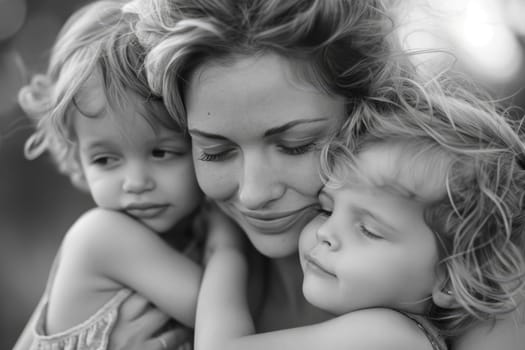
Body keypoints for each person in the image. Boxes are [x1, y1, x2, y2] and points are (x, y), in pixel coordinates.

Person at [127, 0, 525, 349]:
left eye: (296, 145)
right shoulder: (148, 251)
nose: (253, 194)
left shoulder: (488, 282)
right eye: (214, 152)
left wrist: (224, 250)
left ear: (366, 110)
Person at [194, 71, 525, 350]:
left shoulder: (389, 336)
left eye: (368, 229)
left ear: (452, 280)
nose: (325, 233)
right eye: (326, 210)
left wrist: (225, 249)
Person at [14, 1, 203, 349]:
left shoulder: (183, 236)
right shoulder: (101, 235)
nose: (135, 182)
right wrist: (227, 243)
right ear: (77, 159)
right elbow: (216, 312)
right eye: (105, 160)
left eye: (161, 152)